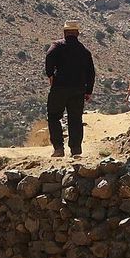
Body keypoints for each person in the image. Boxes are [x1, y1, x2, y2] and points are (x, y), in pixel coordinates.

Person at [45, 19, 96, 158]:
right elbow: (91, 72)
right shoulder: (84, 51)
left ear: (64, 32)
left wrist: (50, 75)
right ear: (78, 33)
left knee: (54, 116)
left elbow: (49, 58)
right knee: (75, 118)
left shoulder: (57, 46)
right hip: (78, 89)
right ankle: (76, 150)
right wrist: (88, 91)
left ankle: (58, 148)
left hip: (59, 87)